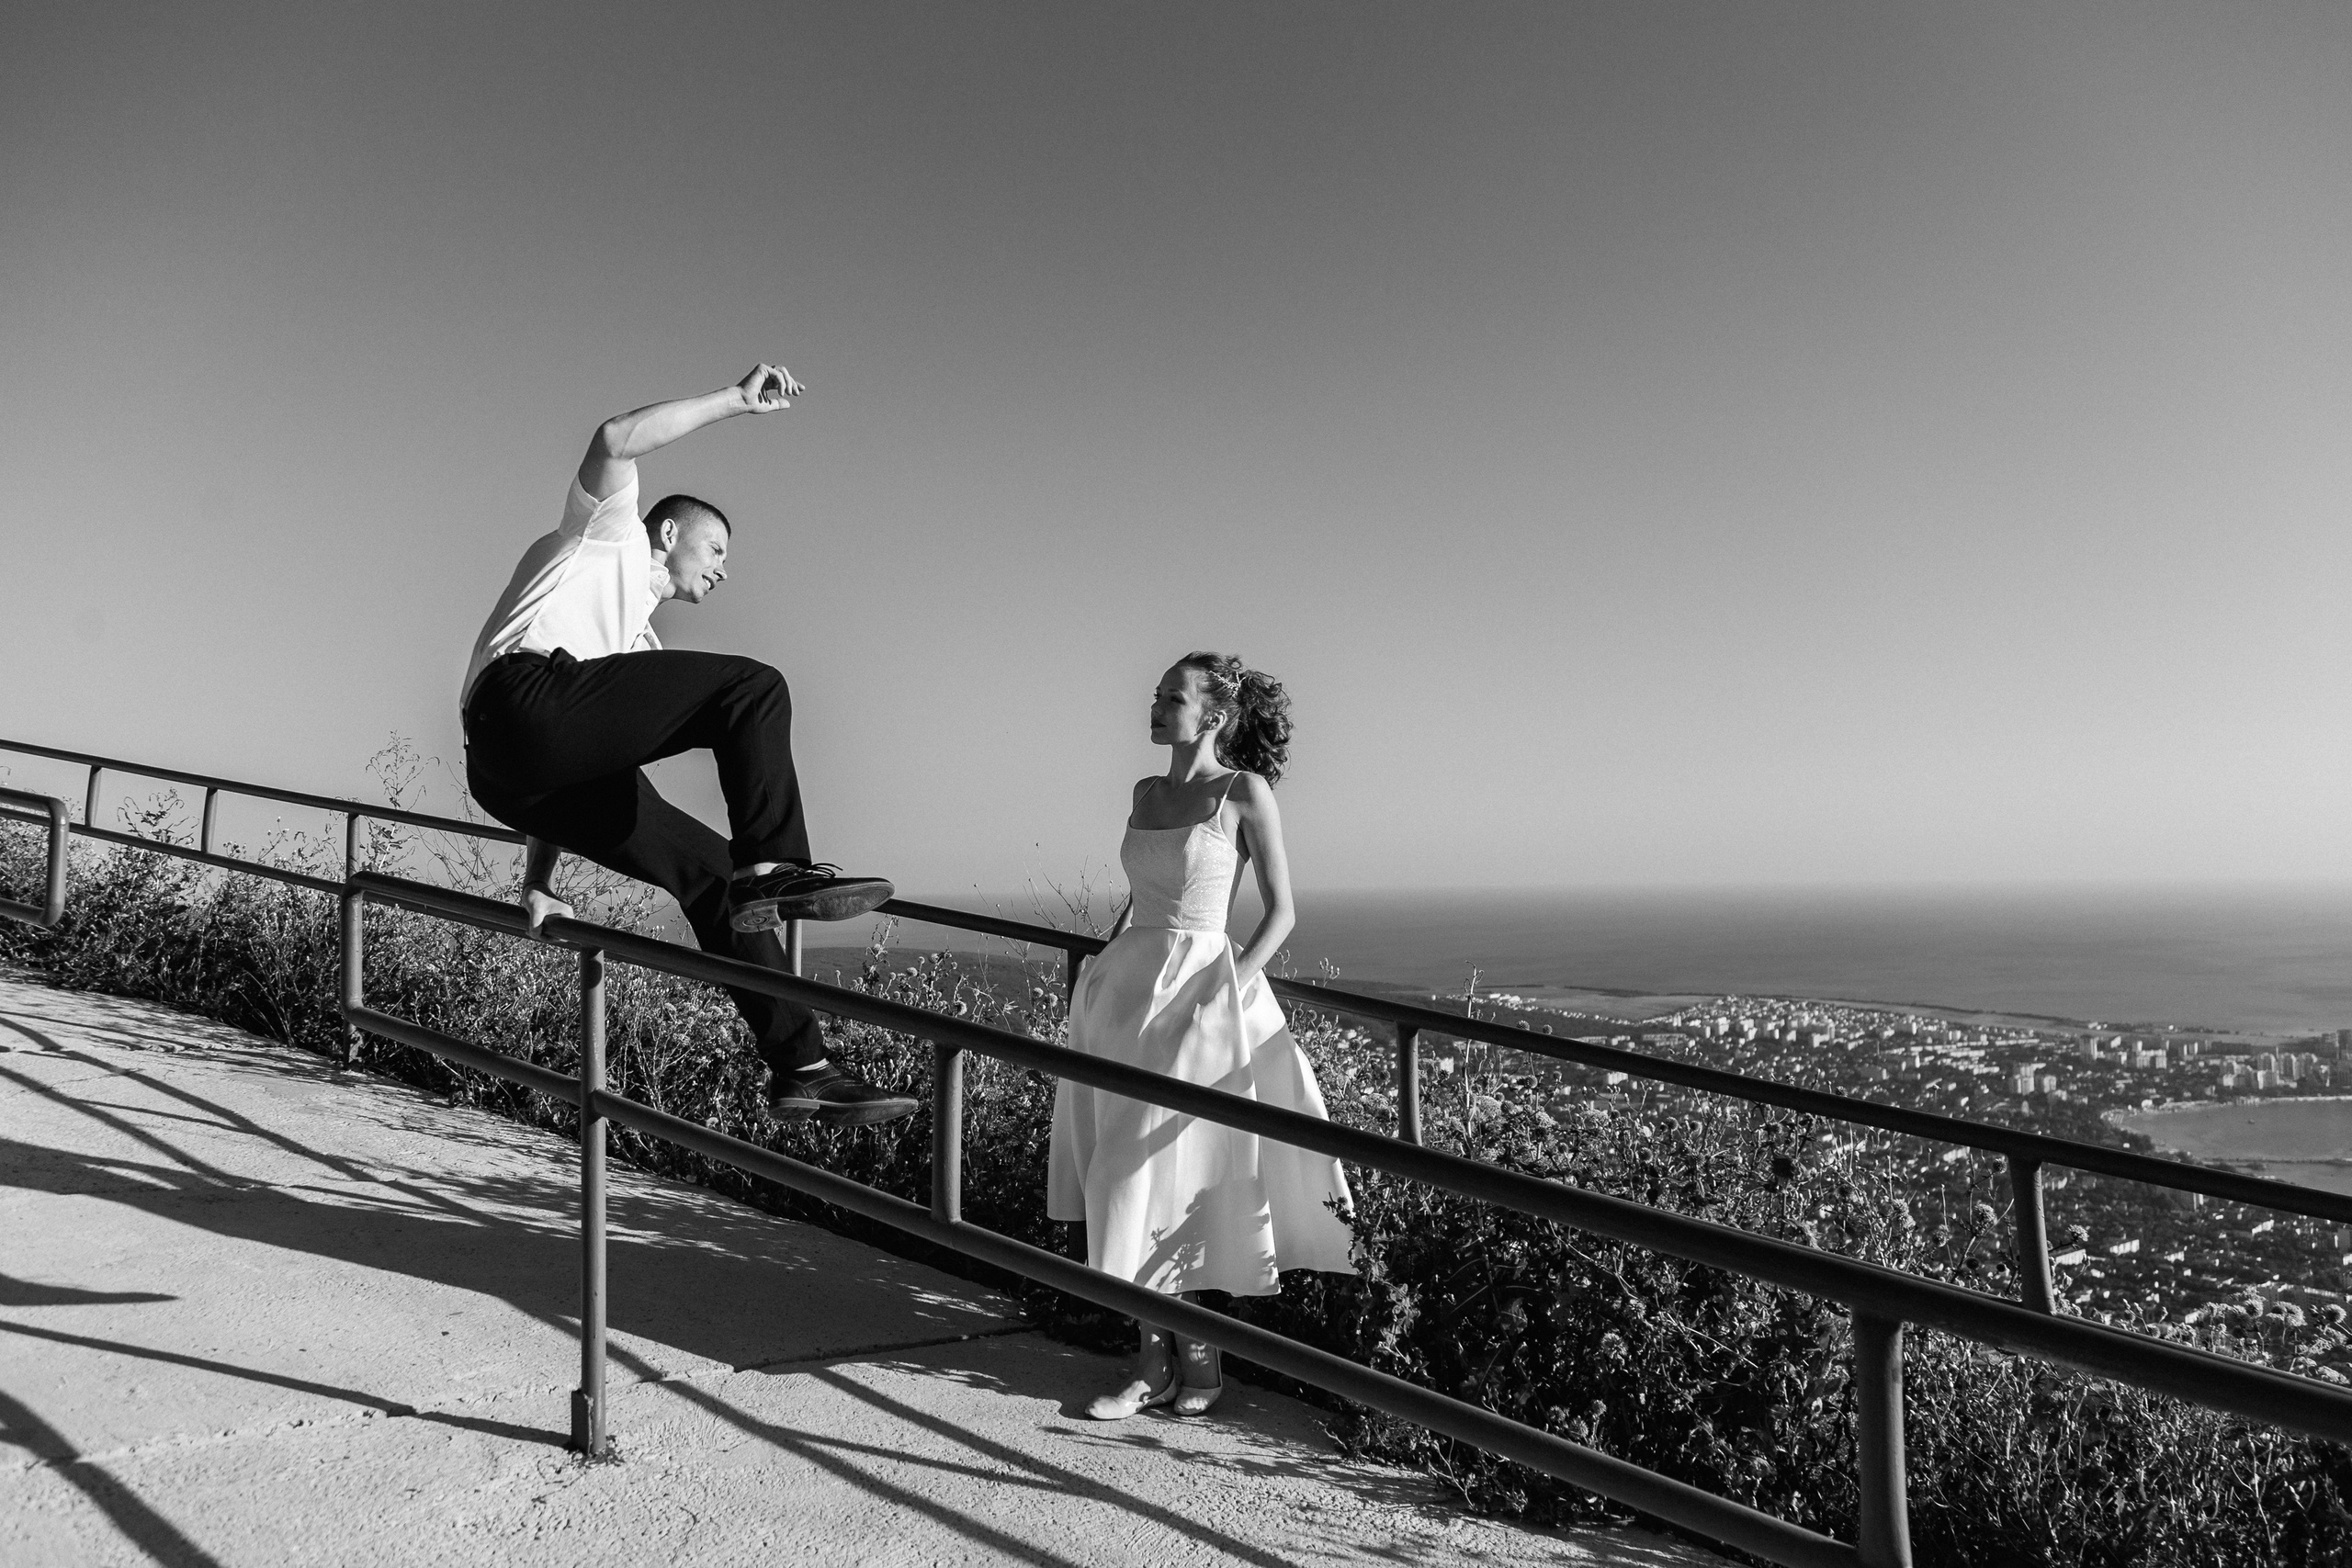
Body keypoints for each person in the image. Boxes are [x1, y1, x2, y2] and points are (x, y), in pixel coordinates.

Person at [459, 363, 915, 1124]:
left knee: (710, 875)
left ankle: (804, 1067)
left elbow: (571, 757)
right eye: (716, 551)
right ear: (669, 534)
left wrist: (537, 877)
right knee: (752, 688)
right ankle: (774, 869)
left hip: (513, 776)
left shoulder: (637, 650)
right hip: (516, 701)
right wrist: (736, 402)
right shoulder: (604, 536)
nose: (724, 569)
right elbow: (614, 437)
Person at [1047, 652, 1355, 1419]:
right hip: (1122, 997)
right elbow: (1140, 898)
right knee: (1120, 1176)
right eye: (1156, 695)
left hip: (1204, 999)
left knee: (1173, 1177)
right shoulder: (1144, 792)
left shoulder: (1244, 792)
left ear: (1214, 714)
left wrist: (1230, 991)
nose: (1155, 707)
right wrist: (1099, 962)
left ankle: (1196, 1358)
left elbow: (1282, 912)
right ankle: (1156, 1359)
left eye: (1171, 697)